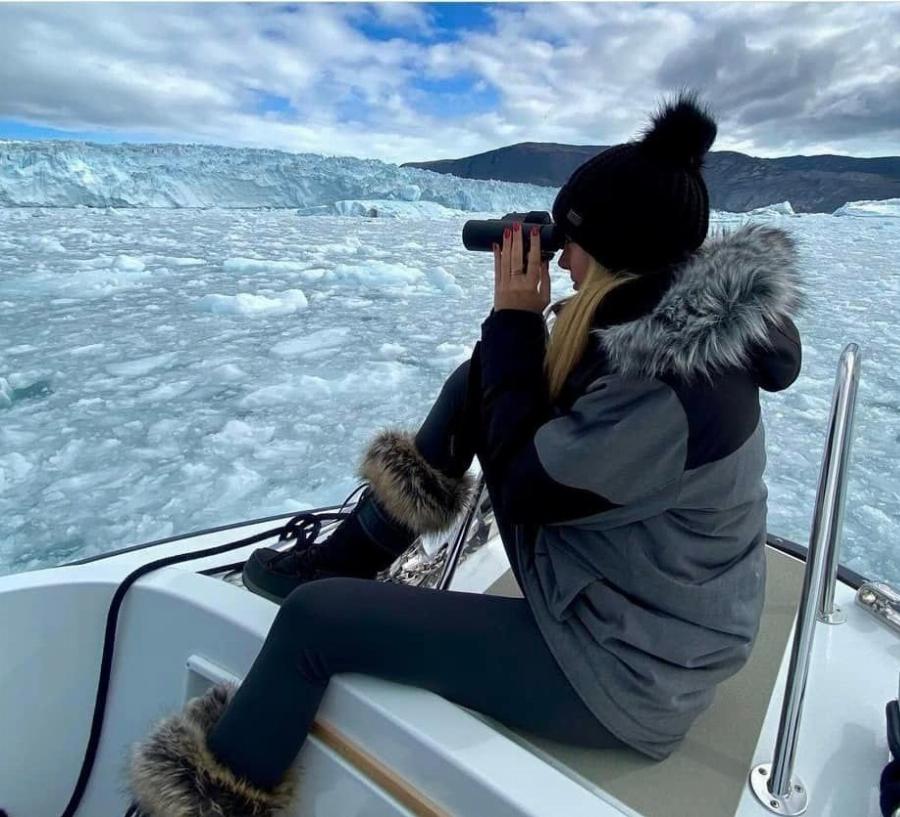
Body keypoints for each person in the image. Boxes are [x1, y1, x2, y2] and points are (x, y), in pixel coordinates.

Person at [127, 92, 803, 816]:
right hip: (636, 605)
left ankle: (209, 801)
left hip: (628, 670)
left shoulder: (670, 388)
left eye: (571, 240)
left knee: (315, 623)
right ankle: (353, 551)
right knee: (485, 374)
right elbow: (526, 421)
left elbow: (523, 488)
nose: (561, 255)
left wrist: (514, 321)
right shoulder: (660, 330)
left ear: (614, 252)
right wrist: (508, 347)